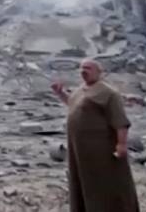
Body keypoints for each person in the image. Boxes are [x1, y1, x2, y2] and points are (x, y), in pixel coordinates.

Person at [51, 59, 139, 212]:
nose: (84, 71)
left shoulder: (108, 93)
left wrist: (122, 144)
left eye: (88, 68)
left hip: (100, 150)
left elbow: (120, 121)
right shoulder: (81, 89)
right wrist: (60, 93)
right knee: (83, 181)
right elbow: (73, 104)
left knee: (103, 183)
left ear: (99, 72)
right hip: (79, 150)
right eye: (82, 68)